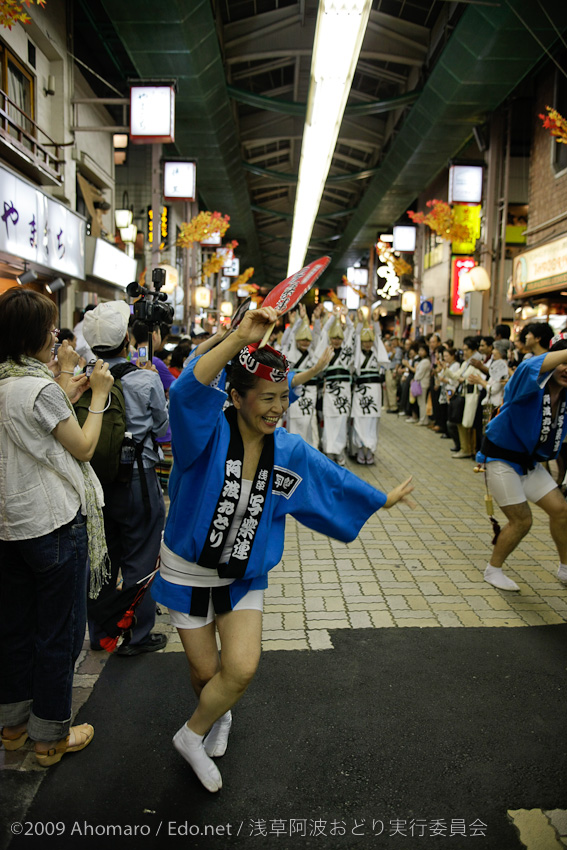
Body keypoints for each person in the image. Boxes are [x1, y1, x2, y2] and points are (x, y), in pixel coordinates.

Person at [150, 305, 414, 792]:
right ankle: (215, 717)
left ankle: (192, 734)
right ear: (235, 397)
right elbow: (187, 389)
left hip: (244, 572)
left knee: (242, 667)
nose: (277, 408)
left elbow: (330, 479)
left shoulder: (288, 450)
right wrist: (237, 337)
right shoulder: (204, 435)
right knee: (206, 671)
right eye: (267, 398)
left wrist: (379, 498)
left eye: (284, 398)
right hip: (189, 569)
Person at [0, 288, 114, 765]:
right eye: (50, 328)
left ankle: (14, 727)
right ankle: (50, 737)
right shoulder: (40, 390)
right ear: (34, 334)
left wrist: (66, 383)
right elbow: (83, 446)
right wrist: (101, 396)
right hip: (53, 523)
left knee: (15, 630)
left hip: (11, 526)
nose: (56, 335)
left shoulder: (7, 382)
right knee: (60, 634)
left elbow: (38, 426)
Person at [83, 303, 170, 656]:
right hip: (137, 481)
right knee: (142, 555)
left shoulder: (81, 379)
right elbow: (163, 430)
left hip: (96, 482)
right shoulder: (146, 378)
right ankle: (135, 635)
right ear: (127, 340)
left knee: (103, 558)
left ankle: (100, 633)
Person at [477, 333, 567, 592]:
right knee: (522, 520)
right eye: (562, 362)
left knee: (561, 510)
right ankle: (493, 570)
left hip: (529, 464)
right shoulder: (530, 381)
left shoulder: (565, 396)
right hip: (500, 459)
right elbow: (529, 366)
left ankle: (565, 568)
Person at [317, 310, 354, 465]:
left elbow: (352, 331)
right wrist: (333, 318)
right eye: (334, 337)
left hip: (344, 391)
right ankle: (329, 451)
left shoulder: (347, 351)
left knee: (342, 420)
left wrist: (346, 317)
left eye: (339, 337)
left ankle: (339, 452)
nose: (337, 340)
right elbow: (324, 332)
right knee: (329, 420)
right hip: (330, 391)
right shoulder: (327, 351)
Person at [351, 310, 389, 463]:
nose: (367, 343)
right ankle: (360, 448)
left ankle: (371, 449)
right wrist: (360, 323)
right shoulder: (357, 354)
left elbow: (379, 338)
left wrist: (376, 323)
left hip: (374, 391)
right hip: (361, 391)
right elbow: (355, 341)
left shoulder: (376, 352)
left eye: (369, 341)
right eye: (365, 341)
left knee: (372, 420)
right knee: (359, 420)